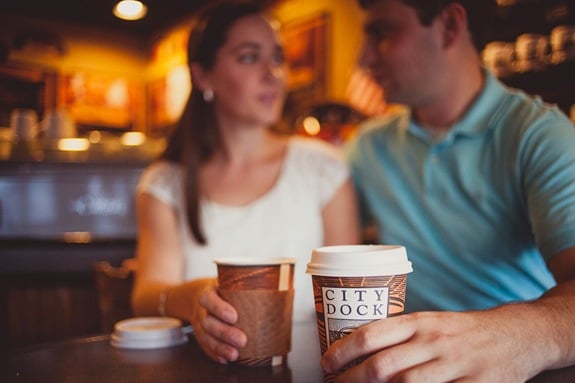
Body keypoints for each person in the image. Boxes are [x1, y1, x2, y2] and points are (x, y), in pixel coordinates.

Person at [321, 0, 575, 382]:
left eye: (382, 32)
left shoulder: (537, 135)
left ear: (450, 26)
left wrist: (511, 336)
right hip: (402, 368)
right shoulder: (368, 148)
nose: (363, 57)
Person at [131, 1, 360, 365]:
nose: (274, 74)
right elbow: (146, 295)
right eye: (250, 57)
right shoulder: (166, 183)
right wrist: (190, 299)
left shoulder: (322, 168)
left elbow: (350, 291)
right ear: (203, 76)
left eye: (278, 57)